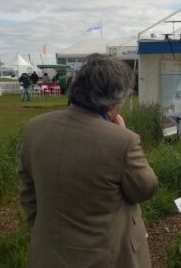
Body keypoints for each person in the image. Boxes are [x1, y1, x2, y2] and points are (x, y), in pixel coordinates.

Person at [19, 54, 158, 267]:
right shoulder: (122, 141)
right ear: (114, 100)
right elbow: (145, 188)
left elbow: (29, 193)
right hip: (107, 257)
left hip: (47, 254)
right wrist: (122, 132)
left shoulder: (34, 128)